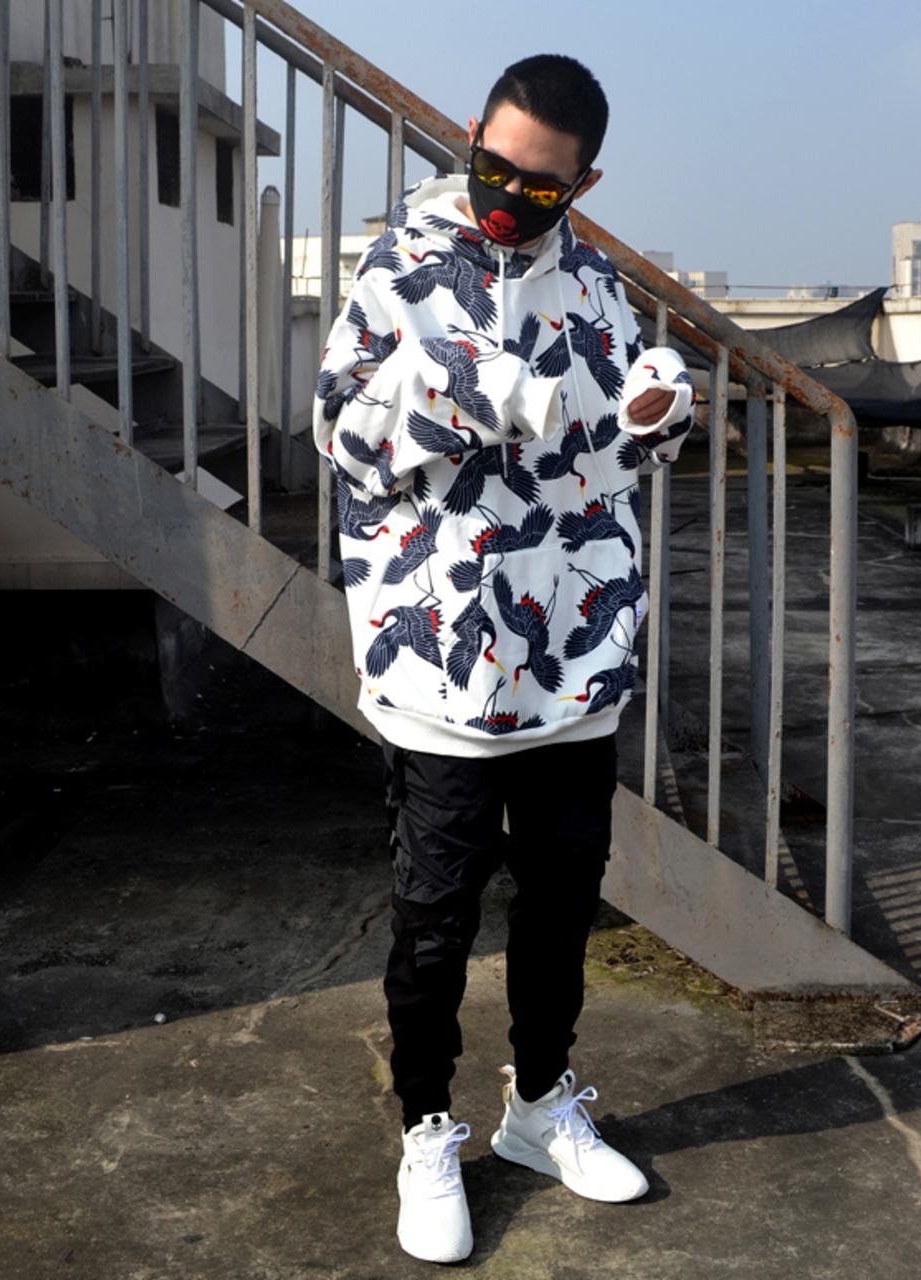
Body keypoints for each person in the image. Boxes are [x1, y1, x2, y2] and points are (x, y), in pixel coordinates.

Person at [313, 53, 694, 1264]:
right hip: (442, 661)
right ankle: (426, 1129)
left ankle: (538, 1105)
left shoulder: (595, 280)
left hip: (574, 654)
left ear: (583, 183)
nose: (508, 197)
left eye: (540, 185)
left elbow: (614, 452)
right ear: (474, 134)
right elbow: (339, 434)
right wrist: (470, 387)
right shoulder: (403, 260)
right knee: (433, 918)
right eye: (494, 166)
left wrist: (657, 415)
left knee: (562, 900)